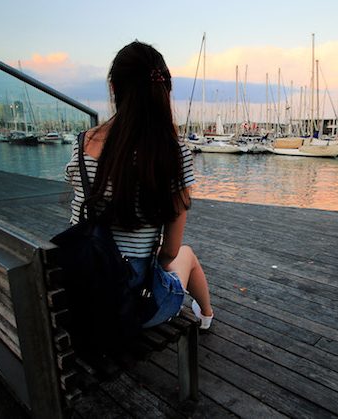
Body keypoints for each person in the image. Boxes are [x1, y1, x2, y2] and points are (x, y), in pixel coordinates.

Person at [64, 41, 213, 329]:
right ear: (163, 90)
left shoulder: (82, 143)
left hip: (77, 291)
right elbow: (169, 252)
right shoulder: (173, 154)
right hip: (130, 306)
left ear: (113, 88)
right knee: (185, 254)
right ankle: (206, 315)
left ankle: (206, 314)